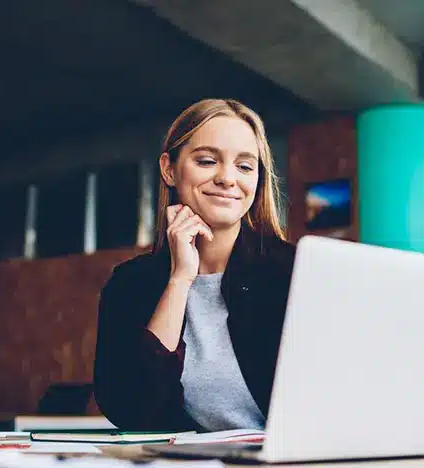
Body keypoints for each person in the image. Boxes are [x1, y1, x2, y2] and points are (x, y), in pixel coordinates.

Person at [93, 99, 296, 432]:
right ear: (169, 169)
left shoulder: (294, 273)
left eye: (245, 166)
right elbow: (130, 409)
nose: (228, 178)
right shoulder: (131, 283)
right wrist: (180, 279)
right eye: (206, 161)